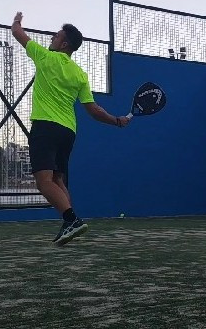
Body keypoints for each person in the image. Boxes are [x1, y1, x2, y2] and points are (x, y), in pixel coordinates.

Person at [11, 12, 131, 246]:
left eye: (56, 36)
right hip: (68, 132)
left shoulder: (45, 57)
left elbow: (17, 32)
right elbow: (93, 110)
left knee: (44, 181)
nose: (52, 38)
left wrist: (17, 20)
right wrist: (116, 121)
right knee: (58, 180)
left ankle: (71, 219)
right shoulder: (80, 74)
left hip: (45, 127)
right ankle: (69, 223)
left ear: (64, 44)